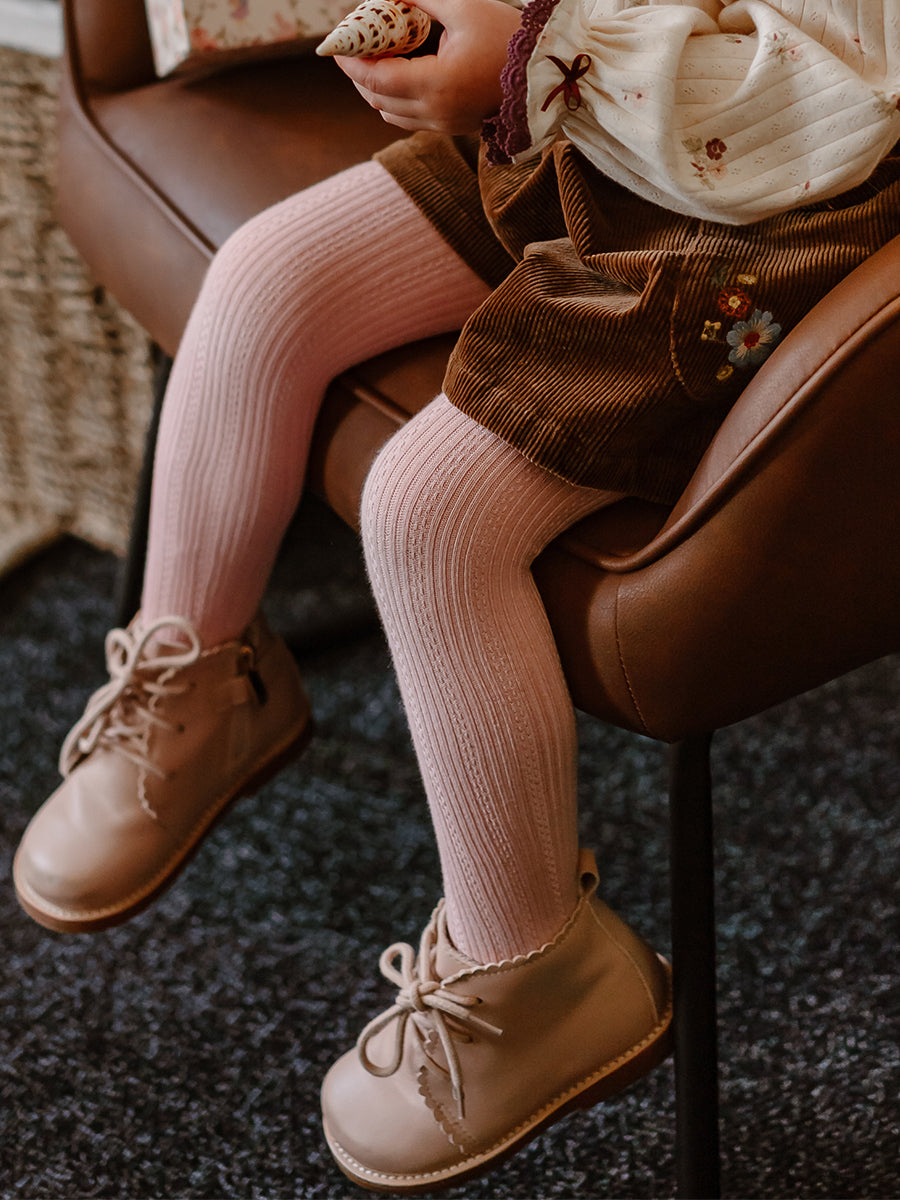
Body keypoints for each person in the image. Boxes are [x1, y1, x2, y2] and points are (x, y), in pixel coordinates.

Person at [13, 0, 900, 1189]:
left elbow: (834, 94)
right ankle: (200, 679)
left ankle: (534, 958)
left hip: (748, 209)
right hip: (584, 129)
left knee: (427, 509)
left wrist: (540, 55)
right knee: (263, 277)